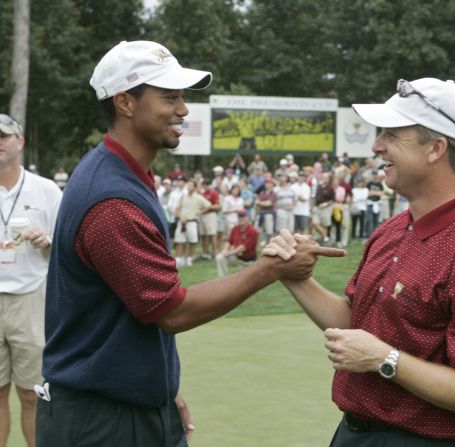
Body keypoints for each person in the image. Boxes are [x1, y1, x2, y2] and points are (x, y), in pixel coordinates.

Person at [36, 40, 343, 447]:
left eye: (182, 97)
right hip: (102, 421)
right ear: (126, 103)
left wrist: (158, 391)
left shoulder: (120, 175)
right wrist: (271, 267)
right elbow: (172, 312)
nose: (182, 109)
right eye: (169, 97)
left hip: (124, 406)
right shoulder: (112, 199)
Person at [264, 78, 455, 446]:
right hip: (352, 433)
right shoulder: (391, 231)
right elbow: (358, 326)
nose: (376, 145)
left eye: (392, 134)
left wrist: (386, 359)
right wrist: (293, 276)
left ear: (436, 148)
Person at [0, 114, 63, 447]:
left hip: (32, 297)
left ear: (19, 142)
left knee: (30, 393)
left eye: (4, 136)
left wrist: (47, 241)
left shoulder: (46, 189)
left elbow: (69, 245)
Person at [175, 180, 210, 267]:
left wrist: (200, 212)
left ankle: (189, 259)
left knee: (192, 241)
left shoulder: (198, 197)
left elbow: (208, 205)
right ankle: (179, 259)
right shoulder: (182, 196)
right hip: (182, 221)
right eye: (188, 185)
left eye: (191, 185)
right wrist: (180, 216)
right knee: (180, 241)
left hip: (192, 222)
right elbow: (177, 209)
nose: (189, 187)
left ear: (195, 187)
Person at [215, 210, 259, 277]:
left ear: (247, 218)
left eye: (243, 217)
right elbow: (229, 241)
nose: (241, 219)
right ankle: (223, 279)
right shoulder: (235, 228)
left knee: (244, 280)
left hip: (248, 261)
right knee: (220, 257)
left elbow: (243, 248)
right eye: (239, 217)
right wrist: (225, 250)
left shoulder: (252, 231)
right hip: (237, 257)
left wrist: (229, 253)